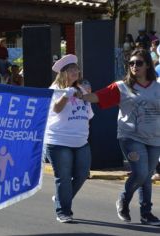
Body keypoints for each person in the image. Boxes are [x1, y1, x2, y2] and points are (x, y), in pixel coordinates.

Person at [77, 49, 160, 226]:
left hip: (154, 138)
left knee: (147, 176)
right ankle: (123, 199)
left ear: (147, 65)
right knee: (140, 172)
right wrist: (81, 96)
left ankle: (146, 213)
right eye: (131, 63)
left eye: (138, 63)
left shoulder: (157, 87)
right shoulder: (122, 86)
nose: (134, 66)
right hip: (130, 136)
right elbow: (98, 96)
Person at [44, 54, 93, 223]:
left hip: (81, 141)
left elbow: (89, 114)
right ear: (63, 73)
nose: (76, 72)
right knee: (63, 177)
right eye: (72, 69)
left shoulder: (82, 89)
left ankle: (60, 198)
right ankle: (63, 211)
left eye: (77, 69)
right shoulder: (55, 89)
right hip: (59, 141)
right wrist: (66, 96)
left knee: (82, 173)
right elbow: (56, 110)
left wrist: (84, 96)